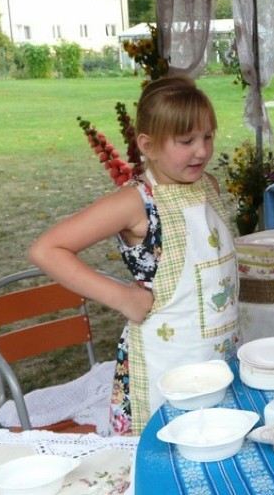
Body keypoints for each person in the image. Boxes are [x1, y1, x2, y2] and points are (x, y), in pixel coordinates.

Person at [29, 74, 240, 435]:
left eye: (207, 136)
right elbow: (47, 249)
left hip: (217, 355)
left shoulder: (209, 185)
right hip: (164, 365)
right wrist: (122, 297)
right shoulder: (135, 202)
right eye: (186, 140)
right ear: (148, 145)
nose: (202, 151)